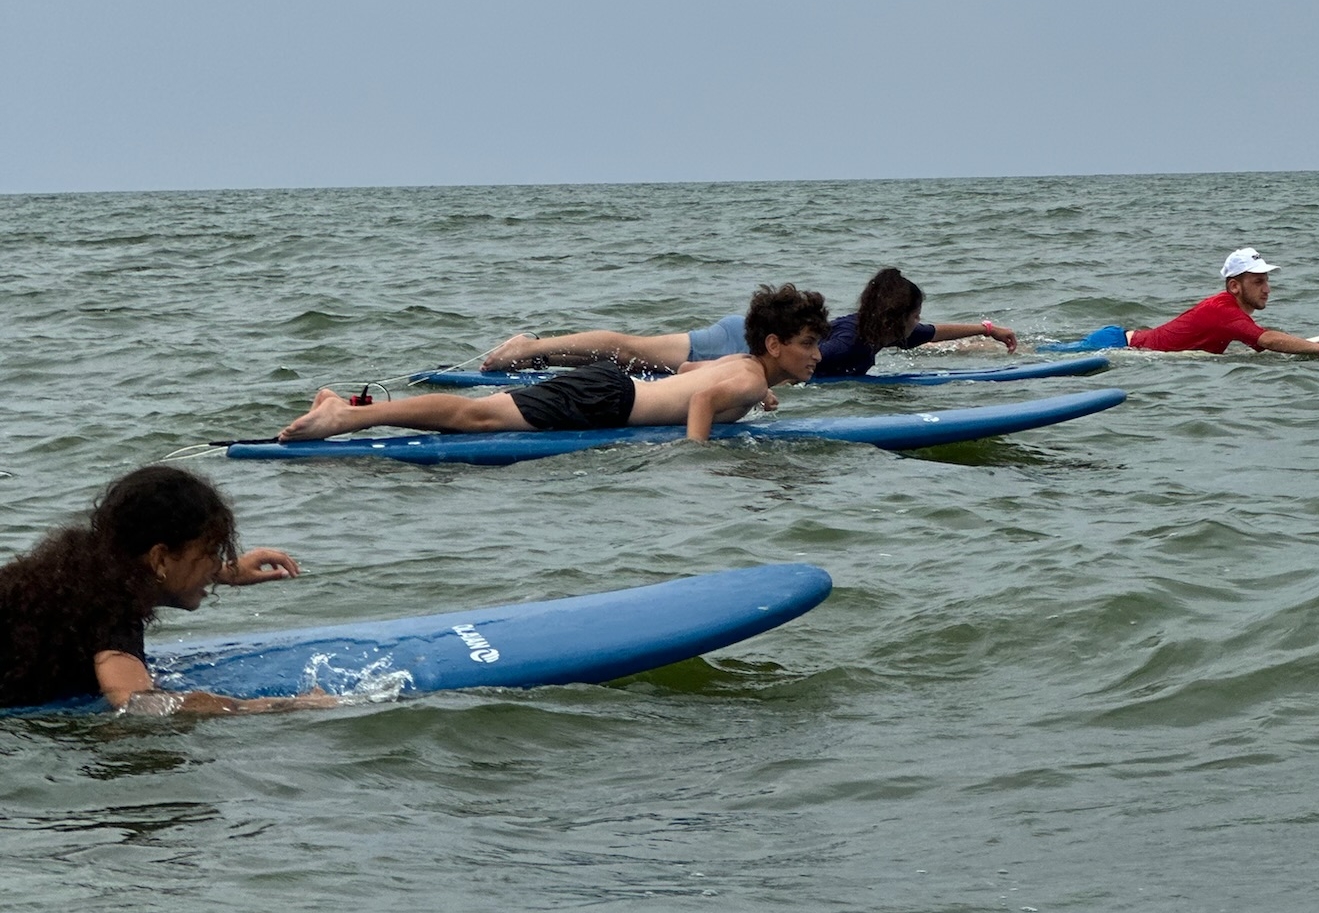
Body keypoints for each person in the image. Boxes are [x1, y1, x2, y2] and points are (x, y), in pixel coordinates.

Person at [284, 283, 832, 445]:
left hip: (613, 391)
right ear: (776, 344)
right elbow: (704, 398)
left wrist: (759, 394)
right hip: (605, 400)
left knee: (480, 415)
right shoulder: (743, 373)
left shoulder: (743, 365)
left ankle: (348, 413)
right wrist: (698, 456)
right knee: (478, 418)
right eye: (808, 343)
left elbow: (694, 377)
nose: (817, 354)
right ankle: (345, 416)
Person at [0, 465, 329, 715]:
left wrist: (226, 573)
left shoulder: (80, 575)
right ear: (159, 557)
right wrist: (271, 707)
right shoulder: (111, 611)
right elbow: (137, 704)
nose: (216, 563)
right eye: (211, 552)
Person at [479, 267, 1017, 378]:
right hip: (742, 341)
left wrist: (987, 331)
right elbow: (786, 359)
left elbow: (936, 332)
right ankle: (529, 345)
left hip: (757, 343)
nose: (920, 324)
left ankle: (544, 358)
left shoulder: (882, 333)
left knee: (632, 359)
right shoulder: (849, 339)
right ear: (896, 316)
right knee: (632, 348)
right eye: (915, 315)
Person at [1056, 249, 1319, 359]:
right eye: (1258, 282)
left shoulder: (1232, 313)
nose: (1267, 289)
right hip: (1114, 344)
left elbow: (1260, 340)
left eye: (1267, 280)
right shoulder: (1224, 311)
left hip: (1125, 339)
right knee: (1038, 355)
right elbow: (1267, 339)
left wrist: (1297, 347)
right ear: (1235, 286)